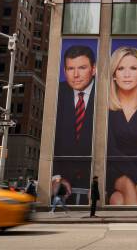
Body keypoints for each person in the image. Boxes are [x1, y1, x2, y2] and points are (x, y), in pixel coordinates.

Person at [55, 45, 96, 204]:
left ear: (93, 69)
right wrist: (56, 177)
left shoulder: (108, 92)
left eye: (82, 68)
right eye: (71, 68)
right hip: (64, 186)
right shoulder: (57, 93)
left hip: (96, 185)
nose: (76, 75)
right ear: (64, 71)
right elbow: (52, 142)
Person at [106, 46, 137, 205]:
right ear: (114, 74)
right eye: (121, 68)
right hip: (114, 171)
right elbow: (110, 150)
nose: (127, 74)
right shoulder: (106, 107)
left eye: (133, 68)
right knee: (129, 184)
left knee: (118, 200)